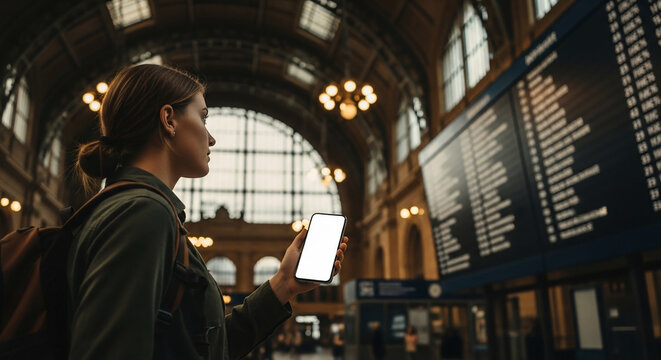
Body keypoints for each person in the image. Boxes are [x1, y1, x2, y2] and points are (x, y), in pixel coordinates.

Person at [69, 64, 349, 359]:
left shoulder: (141, 211)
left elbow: (204, 349)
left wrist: (284, 284)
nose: (211, 138)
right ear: (168, 119)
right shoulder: (142, 214)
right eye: (203, 118)